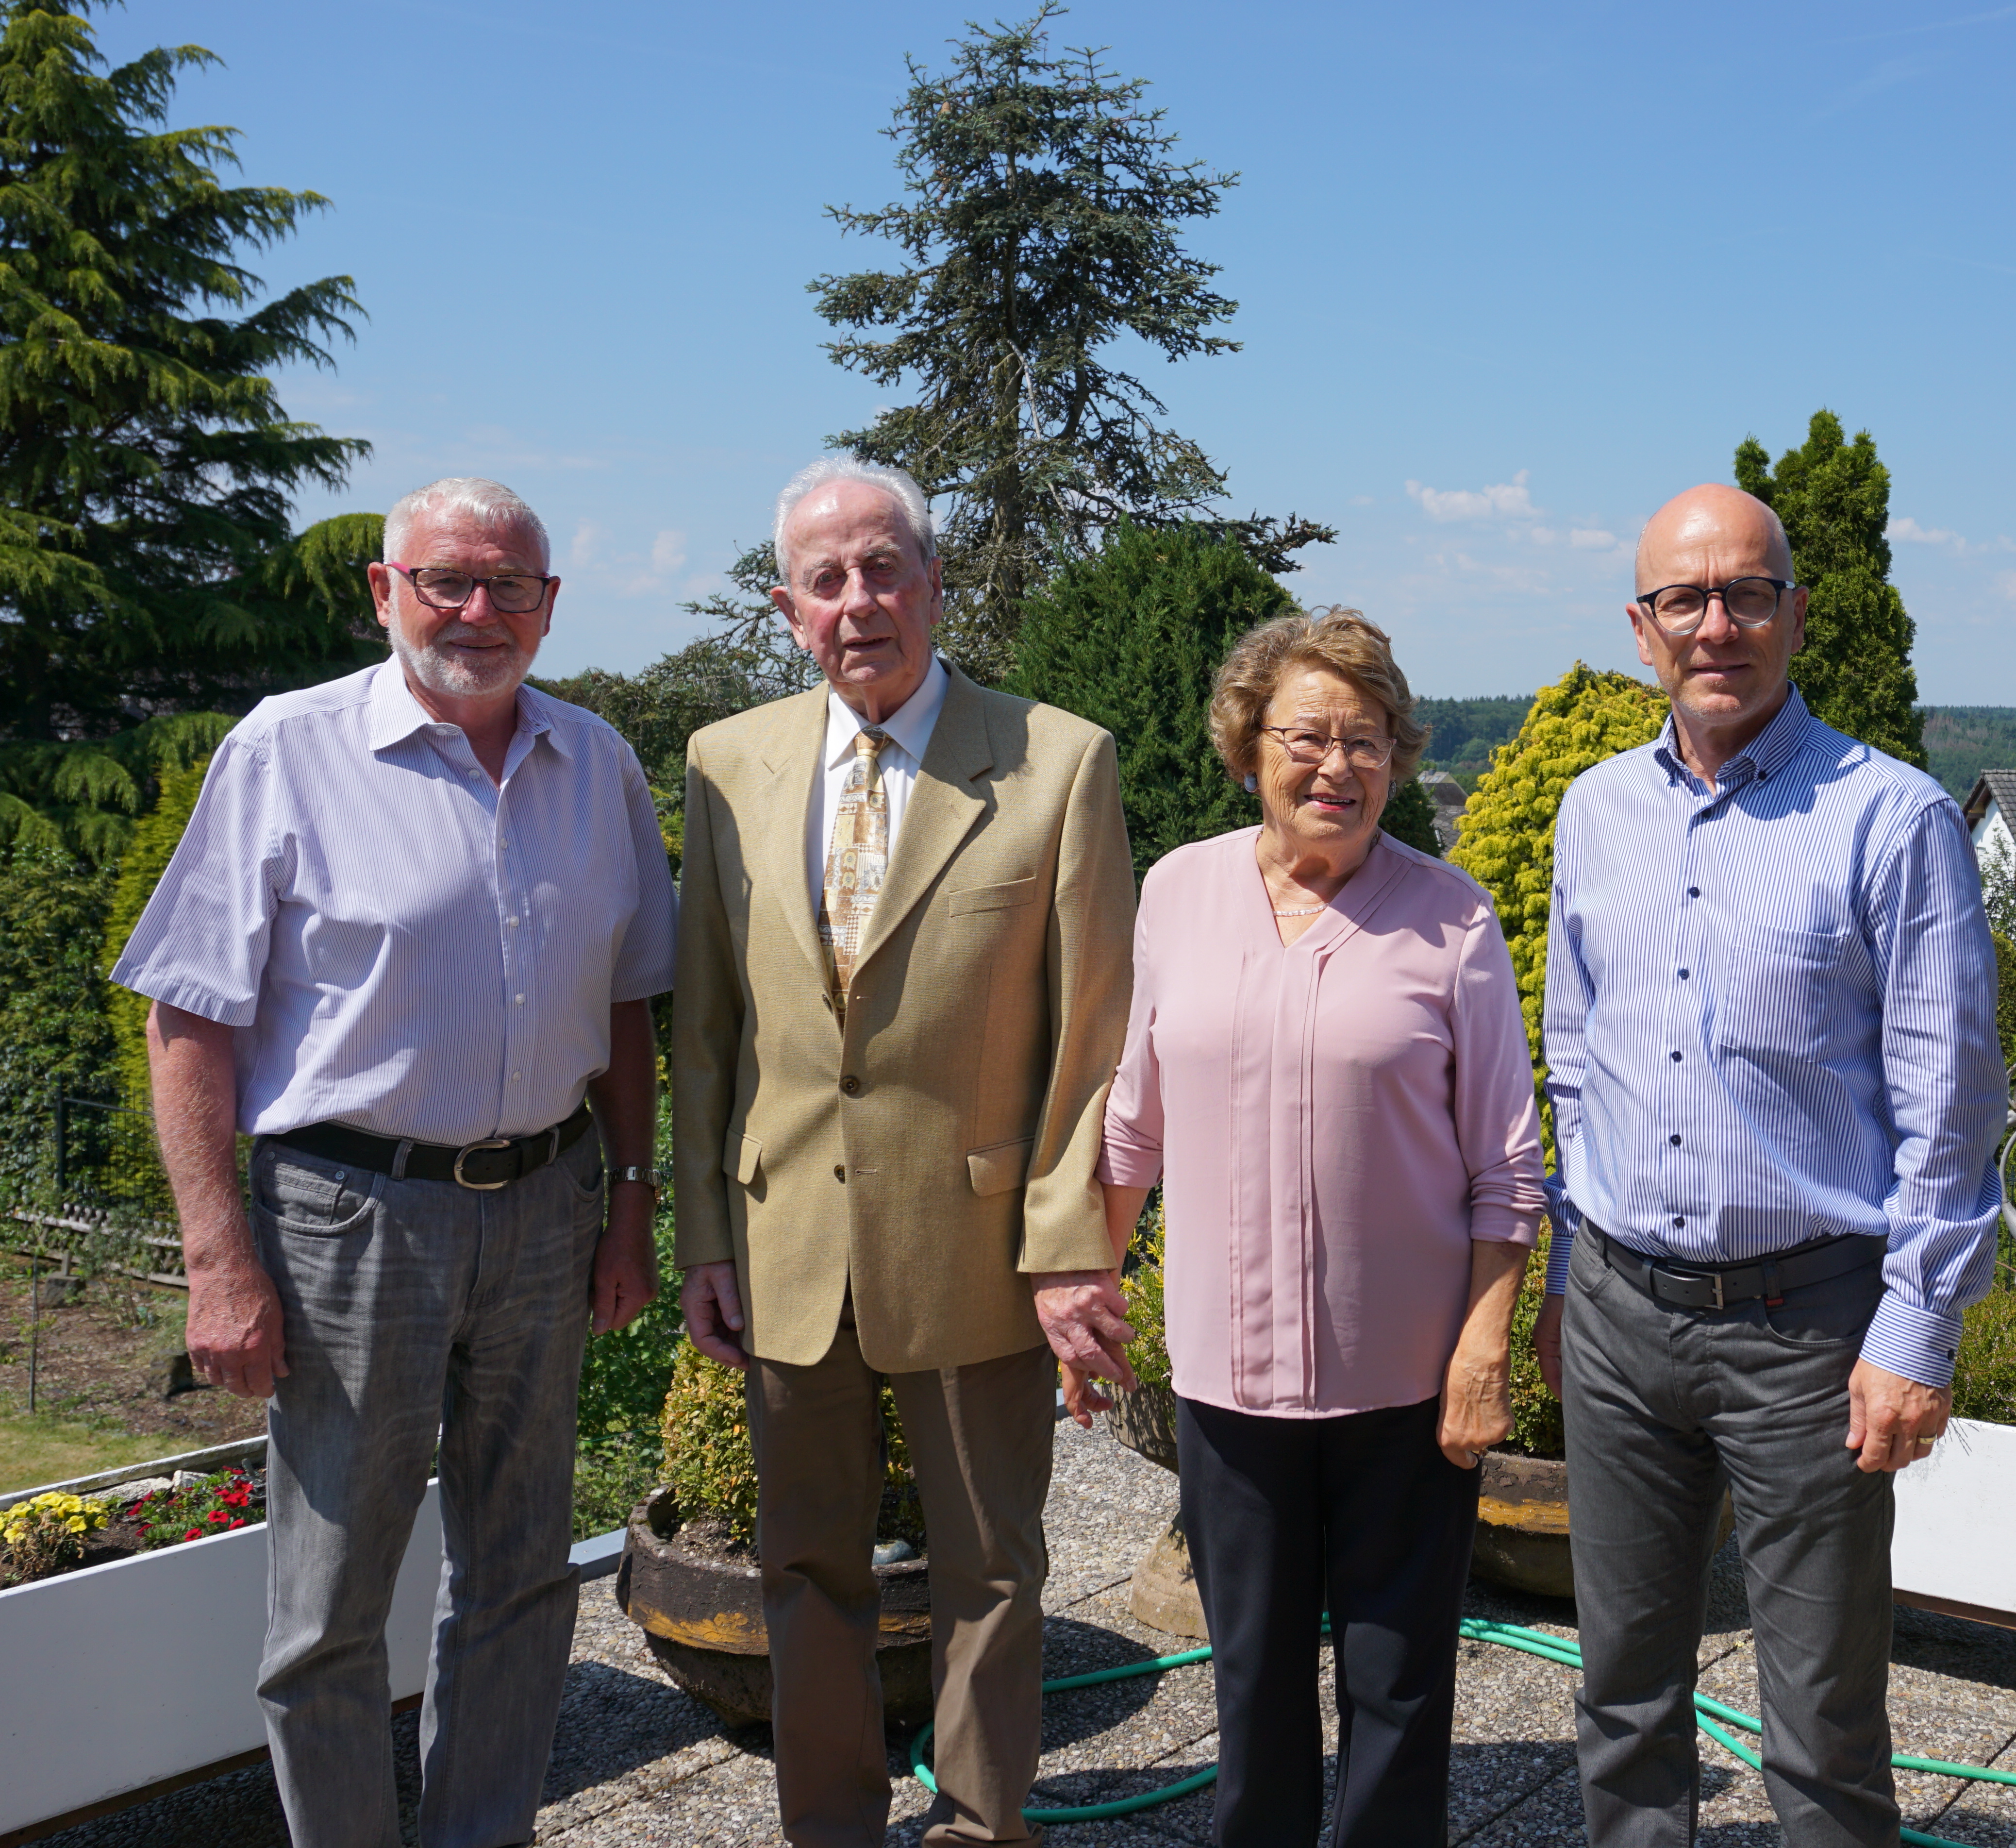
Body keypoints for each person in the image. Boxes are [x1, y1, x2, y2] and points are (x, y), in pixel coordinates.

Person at [110, 477, 674, 1848]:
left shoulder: (595, 760)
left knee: (524, 1574)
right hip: (347, 1219)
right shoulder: (288, 750)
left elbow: (625, 1006)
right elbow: (188, 1012)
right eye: (448, 582)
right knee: (329, 1610)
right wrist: (216, 1258)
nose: (479, 612)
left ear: (549, 606)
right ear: (387, 592)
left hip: (547, 1207)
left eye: (511, 587)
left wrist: (631, 1205)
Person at [669, 456, 1136, 1848]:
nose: (859, 599)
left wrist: (1068, 1249)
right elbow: (704, 1028)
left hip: (981, 1244)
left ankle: (986, 1824)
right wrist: (703, 1232)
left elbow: (1094, 1035)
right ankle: (831, 1824)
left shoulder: (1059, 759)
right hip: (786, 1246)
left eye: (885, 568)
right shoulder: (724, 763)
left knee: (992, 1565)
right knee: (805, 1565)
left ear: (935, 583)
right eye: (828, 579)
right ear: (787, 607)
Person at [1532, 484, 2005, 1847]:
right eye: (1686, 600)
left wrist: (1917, 1328)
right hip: (1621, 1320)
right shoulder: (1594, 813)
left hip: (1811, 1330)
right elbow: (1577, 1057)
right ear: (1642, 630)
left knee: (1822, 1720)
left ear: (1795, 614)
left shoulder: (1894, 821)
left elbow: (1952, 1103)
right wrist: (1570, 1272)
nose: (1718, 625)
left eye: (1749, 594)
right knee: (1621, 1697)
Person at [1088, 605, 1544, 1847]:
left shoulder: (1453, 921)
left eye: (1368, 738)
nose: (1336, 764)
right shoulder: (1179, 891)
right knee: (1254, 1683)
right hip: (1229, 1383)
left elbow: (1509, 1164)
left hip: (1405, 1384)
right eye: (1308, 734)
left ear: (1397, 757)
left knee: (1399, 1689)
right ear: (1250, 746)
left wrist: (1483, 1348)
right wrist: (1085, 1285)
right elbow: (1136, 1120)